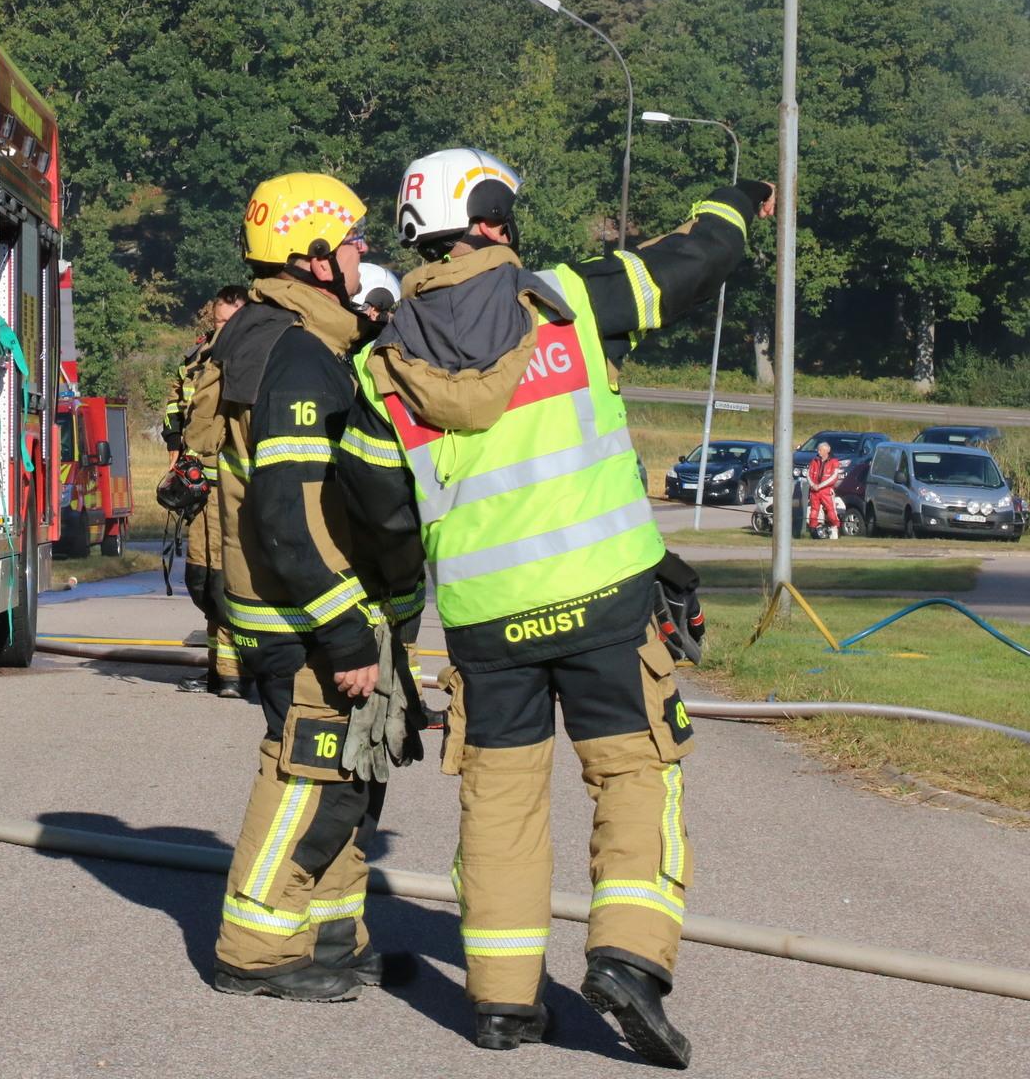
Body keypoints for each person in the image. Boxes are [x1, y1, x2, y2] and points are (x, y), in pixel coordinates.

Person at [355, 146, 773, 1065]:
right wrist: (740, 200)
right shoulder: (572, 300)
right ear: (498, 221)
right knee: (634, 775)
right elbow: (695, 259)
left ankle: (504, 1006)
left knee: (500, 805)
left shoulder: (378, 368)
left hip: (485, 624)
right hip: (606, 605)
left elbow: (382, 519)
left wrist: (389, 625)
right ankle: (628, 957)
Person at [209, 173, 403, 1002]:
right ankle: (255, 951)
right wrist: (346, 634)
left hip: (296, 611)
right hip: (303, 618)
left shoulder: (288, 337)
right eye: (353, 240)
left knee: (347, 778)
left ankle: (329, 935)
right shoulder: (295, 353)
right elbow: (288, 514)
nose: (365, 254)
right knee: (311, 774)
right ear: (315, 257)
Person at [163, 286, 250, 697]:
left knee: (230, 581)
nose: (222, 329)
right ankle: (219, 671)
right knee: (202, 579)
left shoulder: (255, 359)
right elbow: (176, 407)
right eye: (218, 322)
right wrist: (174, 460)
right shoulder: (198, 359)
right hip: (201, 488)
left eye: (230, 322)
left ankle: (236, 674)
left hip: (238, 489)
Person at [806, 441, 842, 539]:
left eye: (821, 450)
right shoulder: (814, 461)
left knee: (831, 510)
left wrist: (820, 486)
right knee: (814, 510)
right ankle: (813, 530)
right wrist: (813, 485)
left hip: (826, 490)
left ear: (827, 451)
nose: (819, 452)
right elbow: (808, 474)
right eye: (818, 450)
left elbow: (833, 477)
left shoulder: (834, 462)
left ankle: (836, 528)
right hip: (814, 491)